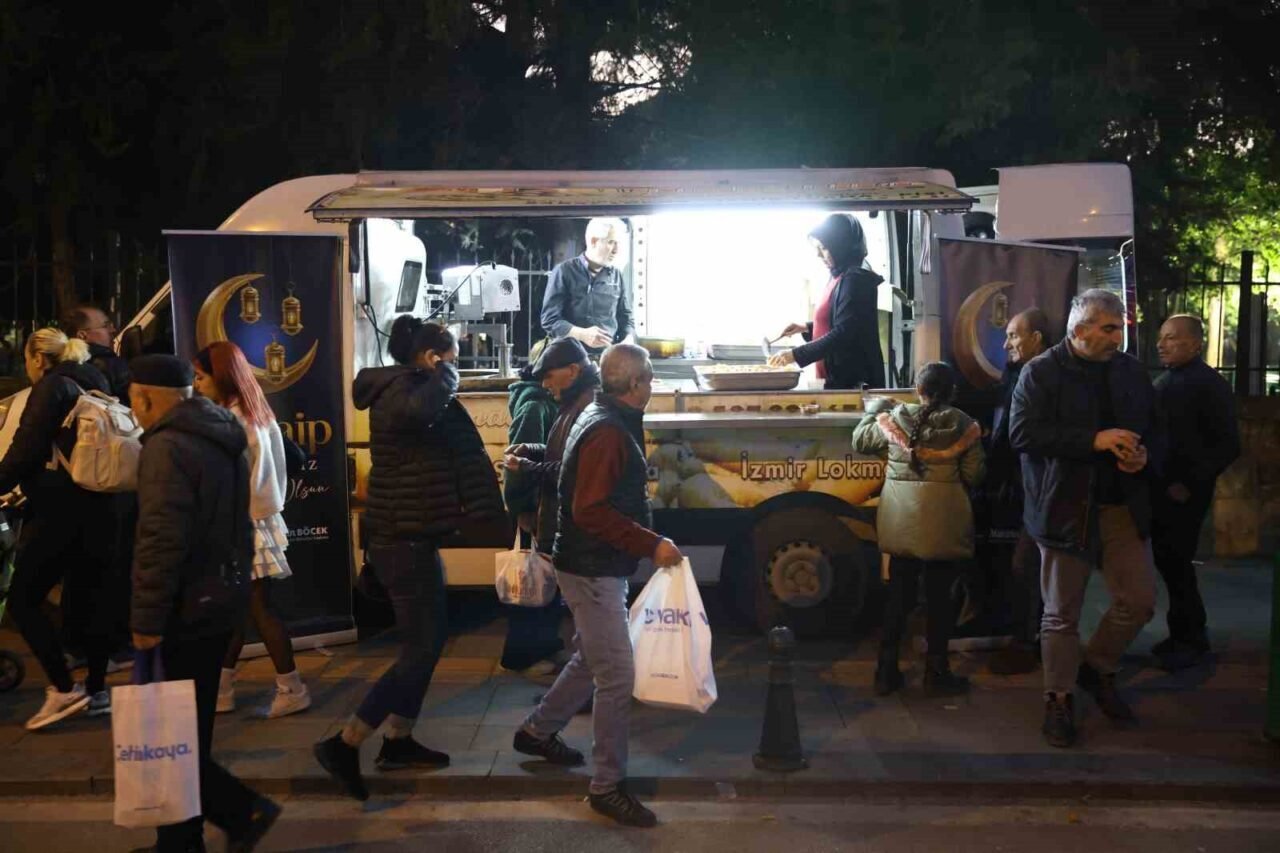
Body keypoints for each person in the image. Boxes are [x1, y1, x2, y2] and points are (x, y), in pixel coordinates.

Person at [314, 316, 503, 801]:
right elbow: (422, 411)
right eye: (451, 357)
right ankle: (345, 742)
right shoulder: (405, 392)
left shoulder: (410, 389)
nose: (456, 366)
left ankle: (398, 739)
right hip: (402, 541)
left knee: (428, 642)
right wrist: (446, 374)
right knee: (421, 647)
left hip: (414, 537)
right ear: (431, 357)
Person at [513, 343, 683, 829]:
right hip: (591, 569)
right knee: (617, 675)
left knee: (592, 656)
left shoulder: (602, 413)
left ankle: (536, 731)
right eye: (649, 377)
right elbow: (589, 509)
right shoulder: (609, 429)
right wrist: (651, 543)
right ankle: (607, 786)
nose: (652, 385)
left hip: (591, 563)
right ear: (635, 384)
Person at [128, 354, 279, 852]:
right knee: (188, 728)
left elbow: (160, 539)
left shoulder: (167, 446)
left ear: (144, 397)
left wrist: (147, 619)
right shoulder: (221, 434)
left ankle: (241, 811)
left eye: (132, 401)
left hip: (184, 607)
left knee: (172, 734)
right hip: (219, 599)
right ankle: (181, 840)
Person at [1010, 289, 1163, 749]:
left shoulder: (1130, 371)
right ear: (1079, 331)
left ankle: (1095, 668)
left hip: (1121, 505)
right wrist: (1092, 440)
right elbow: (1022, 433)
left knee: (1139, 601)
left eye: (1121, 328)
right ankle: (1058, 698)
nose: (1119, 337)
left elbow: (1156, 427)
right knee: (1060, 614)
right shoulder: (1040, 371)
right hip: (1063, 507)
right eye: (1110, 329)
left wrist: (1144, 456)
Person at [0, 328, 122, 730]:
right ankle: (97, 691)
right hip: (103, 506)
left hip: (61, 513)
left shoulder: (51, 387)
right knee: (91, 600)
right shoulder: (96, 379)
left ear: (37, 358)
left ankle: (63, 688)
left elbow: (25, 450)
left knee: (23, 600)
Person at [189, 342, 311, 718]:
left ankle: (291, 687)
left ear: (221, 377)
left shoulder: (235, 420)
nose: (196, 385)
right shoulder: (253, 411)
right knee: (241, 609)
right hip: (255, 521)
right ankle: (223, 688)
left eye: (201, 377)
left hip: (245, 524)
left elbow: (235, 481)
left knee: (257, 608)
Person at [854, 362, 985, 696]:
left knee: (899, 596)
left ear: (918, 390)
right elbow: (974, 475)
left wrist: (875, 409)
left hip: (902, 522)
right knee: (941, 600)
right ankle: (936, 673)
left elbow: (861, 441)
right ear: (952, 392)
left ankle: (886, 671)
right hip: (945, 524)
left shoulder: (895, 419)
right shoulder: (965, 426)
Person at [1150, 314, 1240, 670]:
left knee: (1177, 561)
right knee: (1171, 562)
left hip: (1185, 493)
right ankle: (1183, 633)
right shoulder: (1168, 380)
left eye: (1171, 338)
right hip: (1165, 488)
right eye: (1162, 337)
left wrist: (1188, 483)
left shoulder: (1209, 384)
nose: (1161, 344)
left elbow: (1228, 445)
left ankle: (1190, 638)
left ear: (1195, 343)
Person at [986, 308, 1052, 675]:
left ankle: (1030, 644)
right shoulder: (1016, 374)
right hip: (1019, 486)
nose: (1006, 344)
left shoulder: (1045, 377)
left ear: (1037, 338)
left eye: (1014, 335)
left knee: (1028, 567)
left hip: (1042, 489)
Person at [498, 359, 565, 679]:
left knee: (544, 581)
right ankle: (521, 656)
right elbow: (517, 463)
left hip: (544, 506)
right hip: (534, 509)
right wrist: (523, 509)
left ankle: (544, 647)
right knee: (530, 583)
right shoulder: (535, 406)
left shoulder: (544, 402)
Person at [768, 213, 885, 389]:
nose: (818, 254)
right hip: (834, 379)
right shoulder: (839, 275)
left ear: (840, 246)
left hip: (852, 384)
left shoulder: (855, 279)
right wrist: (807, 327)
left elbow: (844, 333)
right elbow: (840, 320)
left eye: (823, 248)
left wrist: (795, 355)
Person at [540, 218, 634, 353]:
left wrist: (628, 339)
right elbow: (549, 319)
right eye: (611, 242)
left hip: (607, 357)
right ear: (593, 241)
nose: (616, 250)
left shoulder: (617, 275)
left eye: (618, 243)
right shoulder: (564, 271)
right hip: (569, 356)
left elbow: (626, 318)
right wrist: (581, 334)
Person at [60, 303, 130, 404]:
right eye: (106, 326)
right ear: (82, 336)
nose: (112, 330)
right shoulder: (114, 366)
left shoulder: (58, 367)